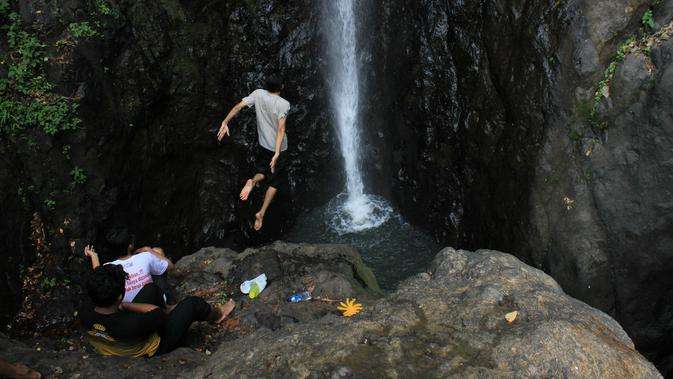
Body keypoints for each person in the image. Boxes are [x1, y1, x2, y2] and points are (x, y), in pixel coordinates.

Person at [79, 264, 235, 357]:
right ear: (120, 296)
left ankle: (171, 310)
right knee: (192, 304)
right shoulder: (133, 323)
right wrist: (126, 305)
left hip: (117, 333)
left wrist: (120, 304)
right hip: (153, 348)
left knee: (151, 289)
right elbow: (156, 313)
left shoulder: (84, 312)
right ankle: (217, 316)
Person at [217, 75, 291, 231]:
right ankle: (261, 213)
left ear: (266, 86)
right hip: (279, 148)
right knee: (275, 181)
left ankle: (252, 181)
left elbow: (238, 107)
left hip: (263, 144)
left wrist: (225, 122)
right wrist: (277, 152)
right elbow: (281, 129)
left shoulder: (258, 93)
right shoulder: (284, 104)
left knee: (263, 171)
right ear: (281, 87)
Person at [84, 242, 174, 305]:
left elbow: (99, 274)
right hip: (155, 303)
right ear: (130, 246)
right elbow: (170, 266)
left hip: (128, 309)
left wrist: (93, 256)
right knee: (158, 251)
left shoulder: (109, 267)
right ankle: (169, 302)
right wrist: (149, 250)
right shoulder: (145, 256)